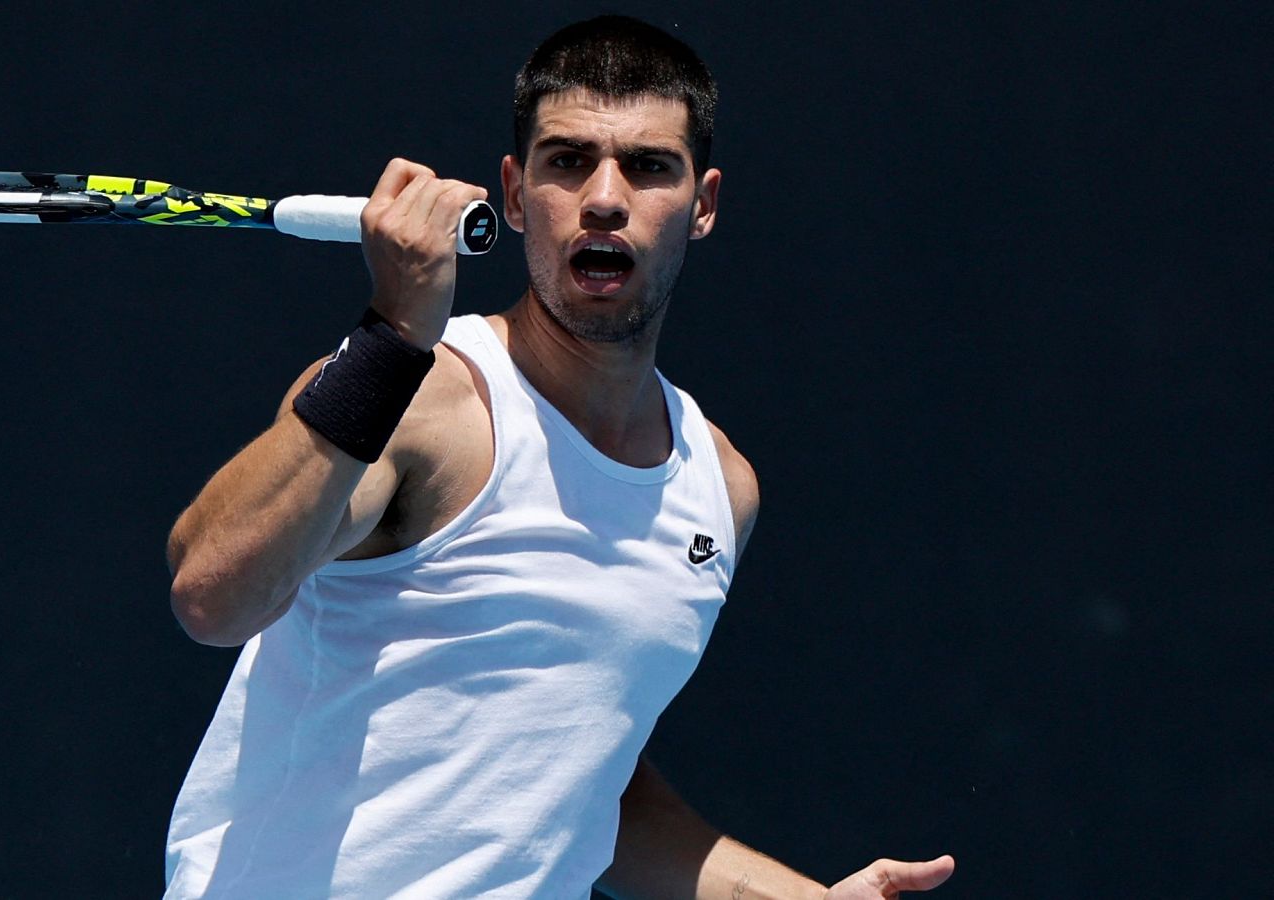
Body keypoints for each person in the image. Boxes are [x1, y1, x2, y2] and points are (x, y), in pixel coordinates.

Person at [163, 15, 953, 899]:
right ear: (512, 191)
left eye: (649, 167)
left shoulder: (719, 489)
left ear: (703, 205)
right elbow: (211, 593)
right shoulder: (419, 399)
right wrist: (391, 337)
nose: (605, 197)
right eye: (568, 161)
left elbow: (583, 794)